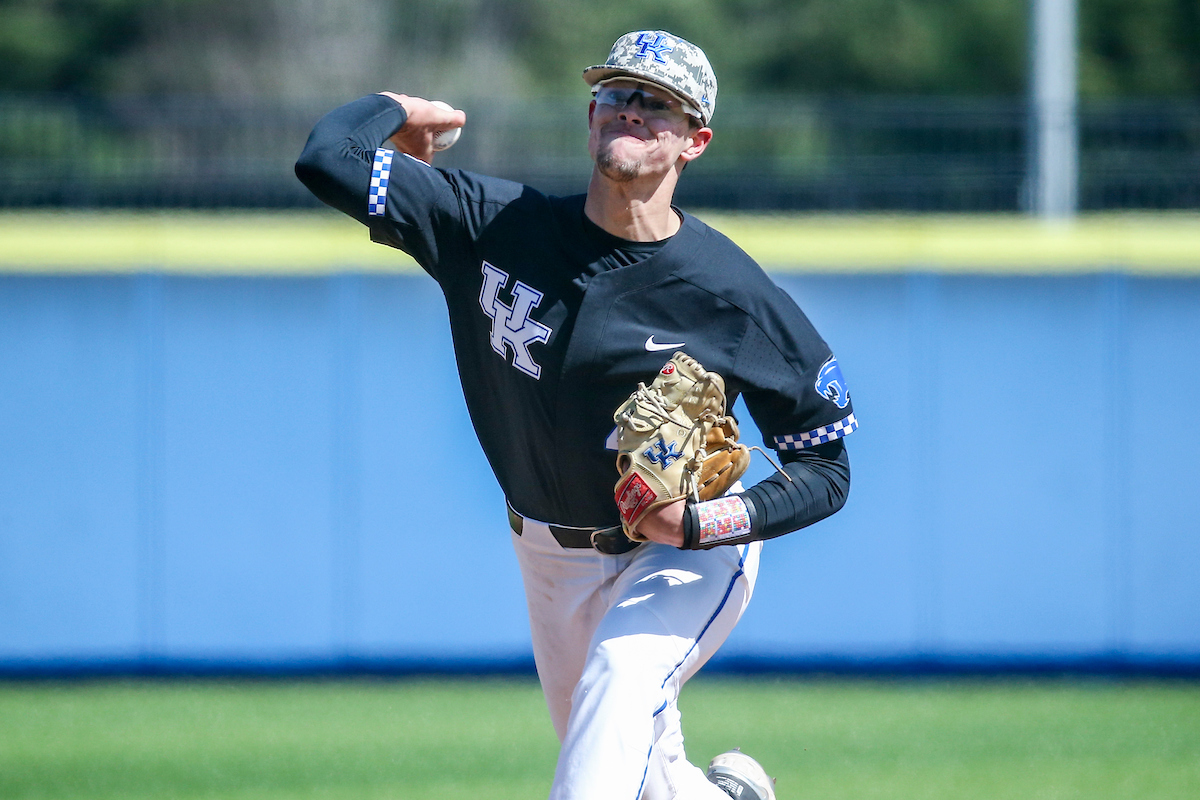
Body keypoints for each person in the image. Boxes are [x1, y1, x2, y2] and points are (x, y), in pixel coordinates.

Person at [296, 29, 855, 800]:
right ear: (591, 116)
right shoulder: (491, 224)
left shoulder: (734, 298)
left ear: (695, 140)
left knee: (620, 682)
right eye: (615, 95)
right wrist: (403, 108)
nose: (630, 111)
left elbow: (825, 469)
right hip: (549, 553)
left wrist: (699, 526)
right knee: (639, 766)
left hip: (682, 554)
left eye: (656, 104)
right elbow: (328, 158)